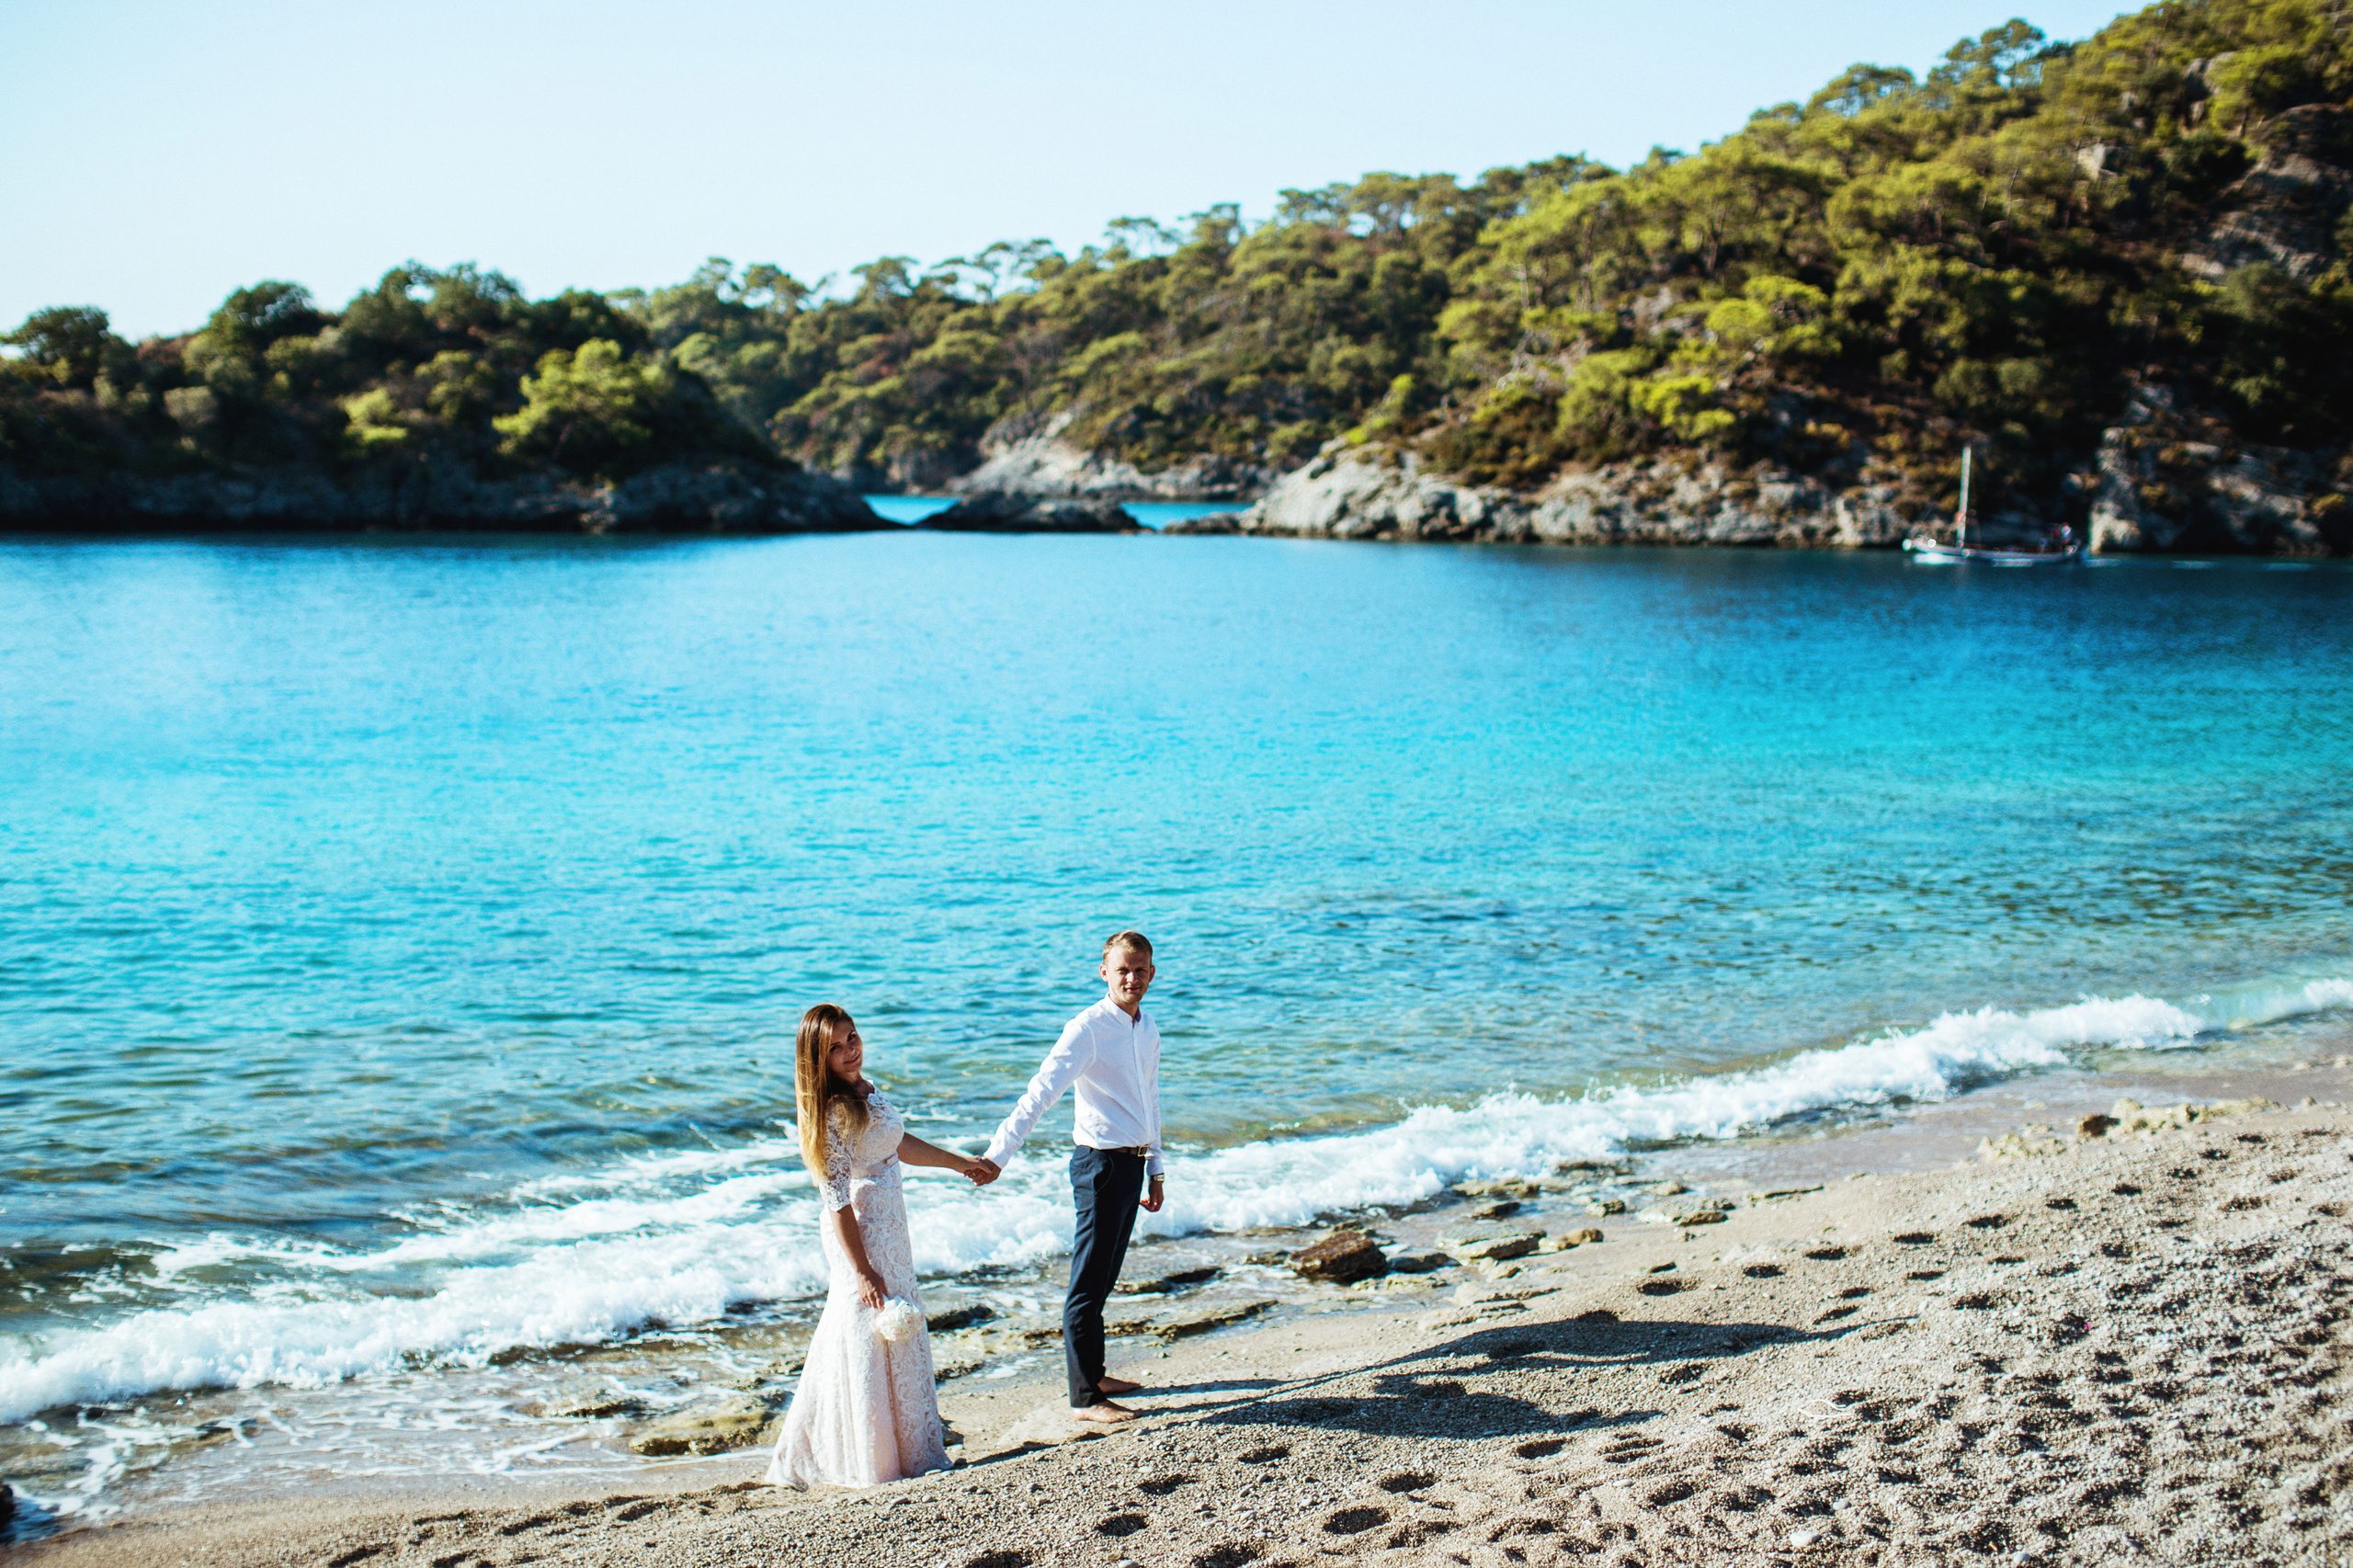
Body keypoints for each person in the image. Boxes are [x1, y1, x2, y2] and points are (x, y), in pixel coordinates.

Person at [765, 1003, 993, 1489]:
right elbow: (836, 1201)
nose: (850, 1051)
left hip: (890, 1225)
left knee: (895, 1323)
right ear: (816, 1059)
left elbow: (897, 1143)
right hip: (861, 1232)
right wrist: (863, 1269)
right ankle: (864, 1454)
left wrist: (959, 1163)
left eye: (852, 1038)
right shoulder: (829, 1112)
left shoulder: (865, 1089)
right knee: (863, 1328)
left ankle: (906, 1446)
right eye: (836, 1047)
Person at [970, 931, 1165, 1424]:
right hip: (1099, 1166)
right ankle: (1085, 1398)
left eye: (1140, 969)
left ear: (1152, 973)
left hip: (1133, 1163)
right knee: (1086, 1282)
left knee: (1104, 1278)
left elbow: (1151, 1101)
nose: (1131, 978)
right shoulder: (1088, 1028)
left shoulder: (1146, 1028)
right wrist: (998, 1156)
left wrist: (1157, 1168)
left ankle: (1095, 1373)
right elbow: (1040, 1092)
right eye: (1122, 969)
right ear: (1104, 972)